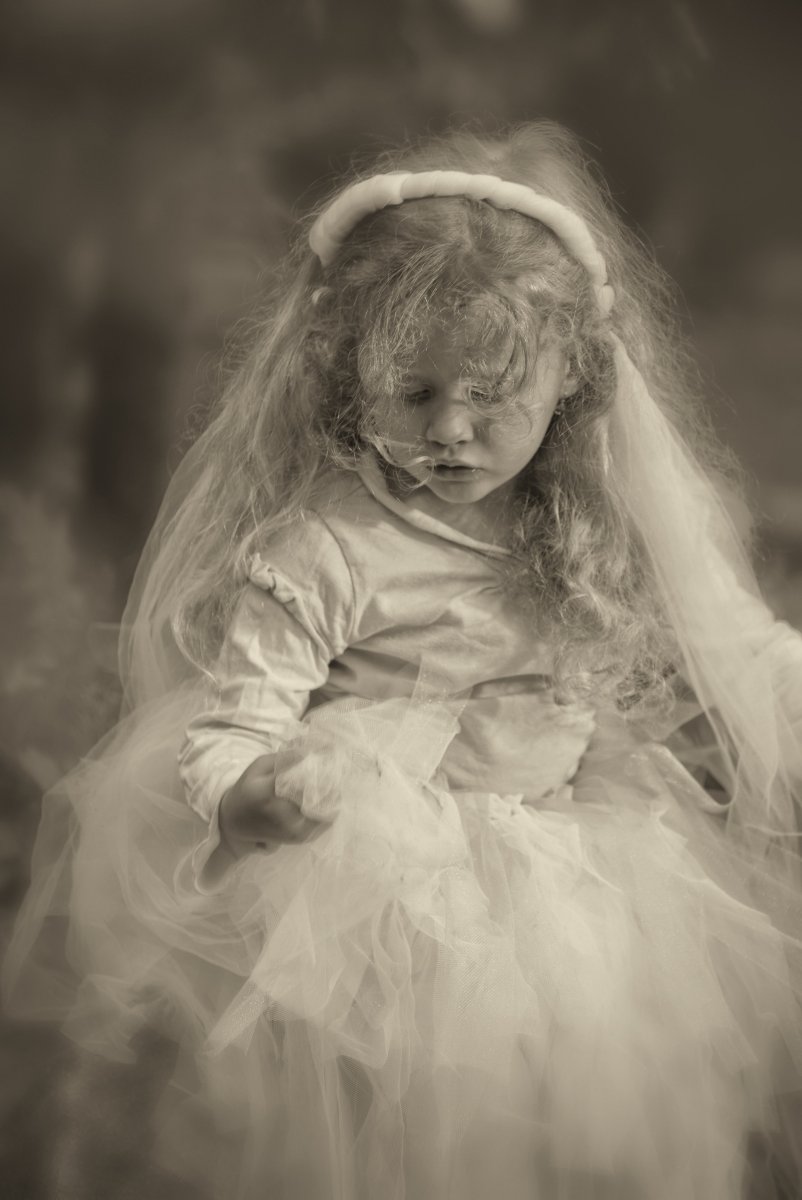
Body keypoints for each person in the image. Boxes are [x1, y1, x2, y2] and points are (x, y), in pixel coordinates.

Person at [4, 122, 802, 1200]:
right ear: (348, 377)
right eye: (413, 393)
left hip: (569, 869)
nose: (451, 432)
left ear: (571, 377)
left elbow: (721, 645)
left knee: (557, 1117)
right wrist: (252, 797)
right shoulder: (327, 549)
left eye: (491, 396)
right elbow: (235, 724)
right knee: (394, 1131)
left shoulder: (589, 520)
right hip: (384, 890)